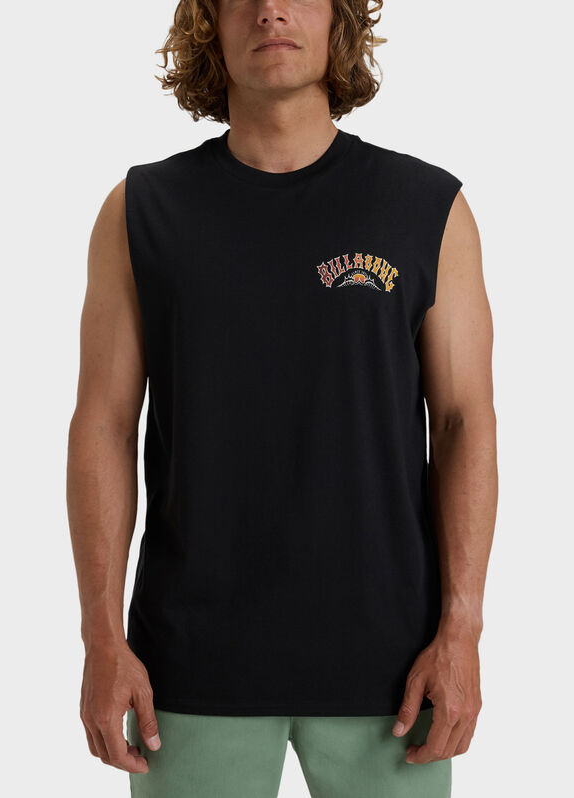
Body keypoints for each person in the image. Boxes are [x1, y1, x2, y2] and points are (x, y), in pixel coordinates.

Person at [67, 0, 497, 795]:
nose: (271, 10)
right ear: (209, 22)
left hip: (393, 671)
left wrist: (462, 628)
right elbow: (104, 425)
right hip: (189, 666)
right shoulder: (142, 210)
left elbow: (464, 421)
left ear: (339, 20)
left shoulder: (426, 206)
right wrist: (101, 637)